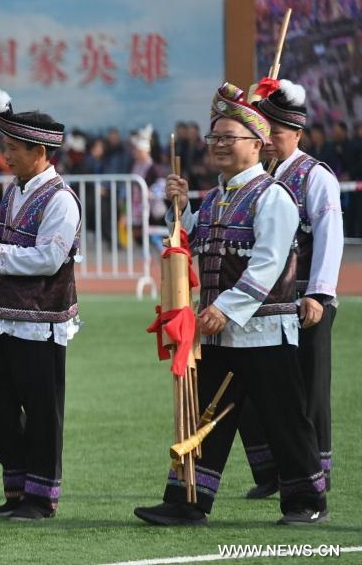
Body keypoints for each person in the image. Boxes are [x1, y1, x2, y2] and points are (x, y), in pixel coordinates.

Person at [134, 82, 328, 526]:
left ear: (258, 144)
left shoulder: (271, 196)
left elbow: (267, 265)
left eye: (229, 138)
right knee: (205, 416)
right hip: (220, 330)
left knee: (284, 417)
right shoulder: (218, 197)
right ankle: (186, 501)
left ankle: (306, 502)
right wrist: (177, 209)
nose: (219, 145)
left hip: (263, 330)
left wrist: (225, 308)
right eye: (214, 138)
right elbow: (188, 241)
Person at [0, 89, 80, 521]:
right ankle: (18, 487)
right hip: (4, 318)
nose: (5, 155)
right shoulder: (13, 192)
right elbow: (2, 245)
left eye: (12, 148)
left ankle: (40, 498)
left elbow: (49, 257)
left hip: (41, 322)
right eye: (5, 146)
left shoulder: (61, 199)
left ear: (39, 151)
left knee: (44, 412)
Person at [237, 79, 343, 498]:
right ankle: (273, 472)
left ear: (297, 134)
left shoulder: (315, 176)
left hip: (303, 299)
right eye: (264, 130)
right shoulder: (255, 179)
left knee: (307, 391)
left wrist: (317, 294)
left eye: (277, 131)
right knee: (258, 390)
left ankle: (315, 475)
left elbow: (330, 236)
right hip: (263, 303)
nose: (269, 139)